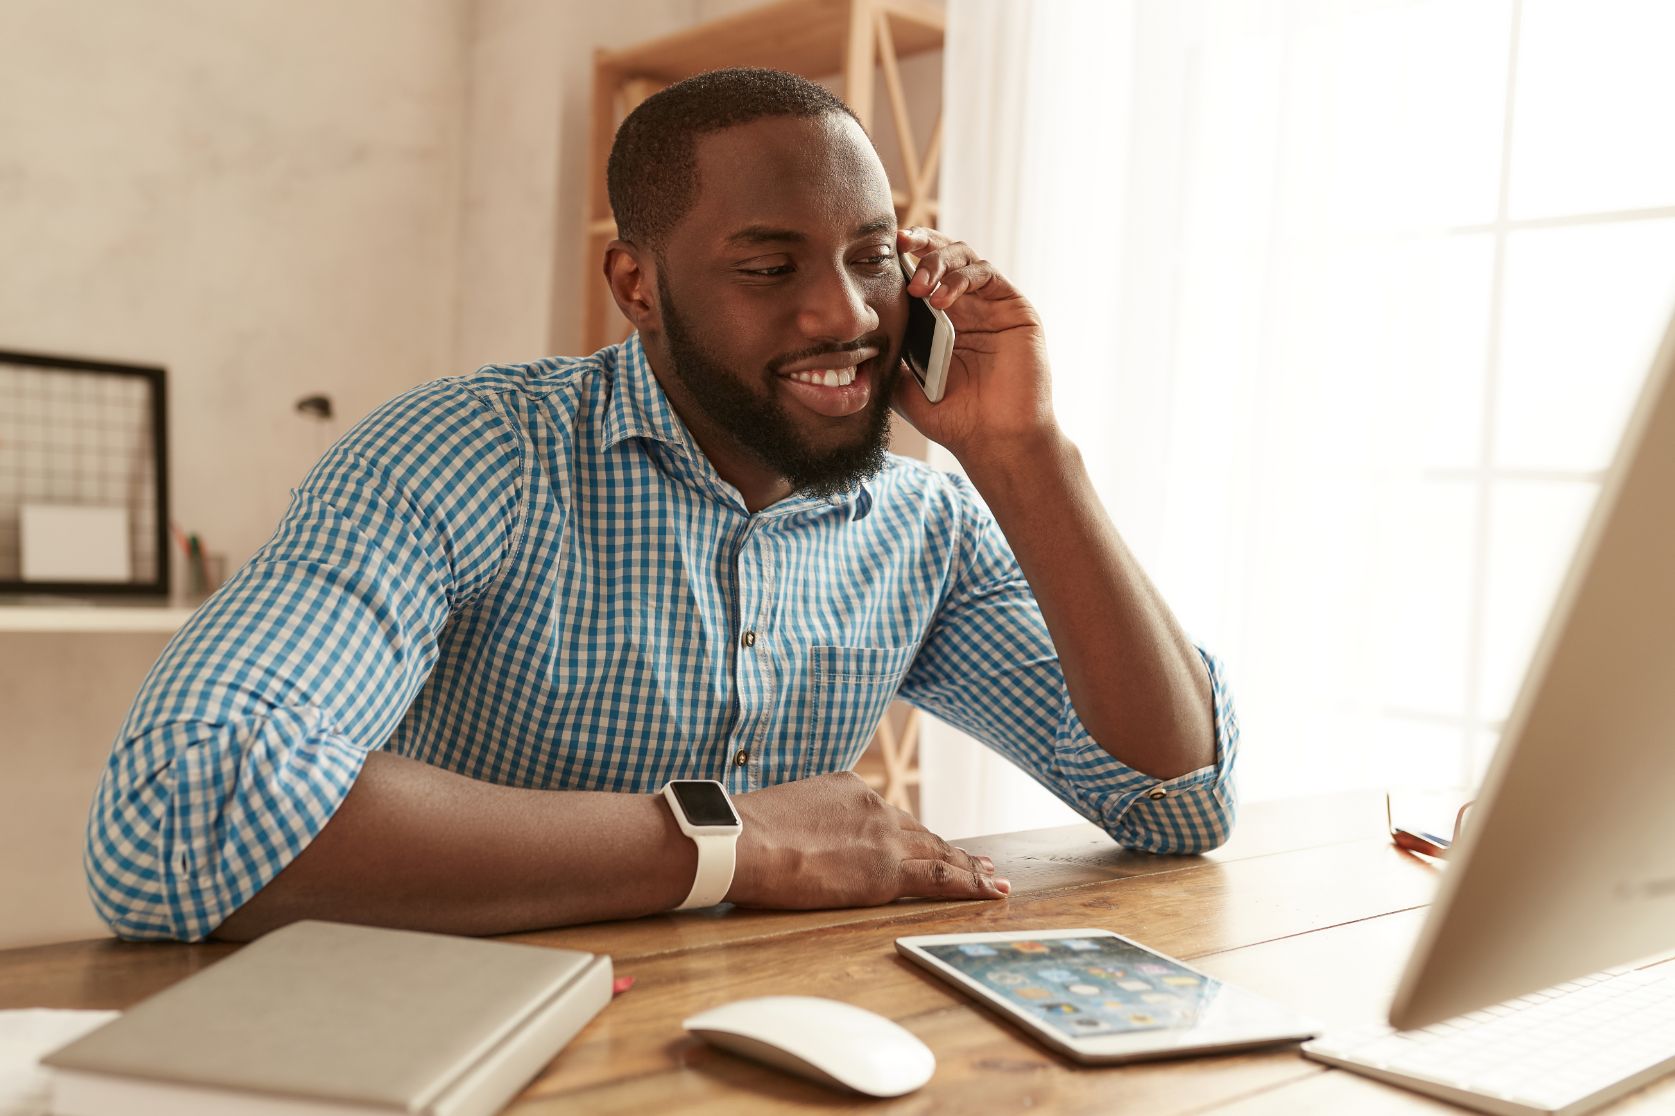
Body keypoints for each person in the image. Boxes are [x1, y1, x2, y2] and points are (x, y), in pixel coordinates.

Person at [85, 68, 1238, 944]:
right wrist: (731, 840)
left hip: (762, 1037)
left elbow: (1176, 799)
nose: (842, 314)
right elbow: (179, 805)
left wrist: (1026, 455)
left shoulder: (924, 523)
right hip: (461, 1030)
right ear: (638, 285)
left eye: (872, 255)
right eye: (768, 265)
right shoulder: (463, 454)